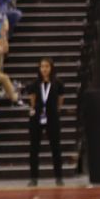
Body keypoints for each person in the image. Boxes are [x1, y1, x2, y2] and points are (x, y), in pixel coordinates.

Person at [24, 57, 63, 186]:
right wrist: (35, 110)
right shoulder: (34, 84)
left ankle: (59, 177)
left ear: (51, 68)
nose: (44, 69)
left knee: (55, 147)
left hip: (52, 117)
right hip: (37, 117)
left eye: (47, 66)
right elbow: (32, 100)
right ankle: (33, 178)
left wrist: (55, 111)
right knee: (34, 148)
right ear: (39, 68)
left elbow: (60, 100)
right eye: (42, 67)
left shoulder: (58, 83)